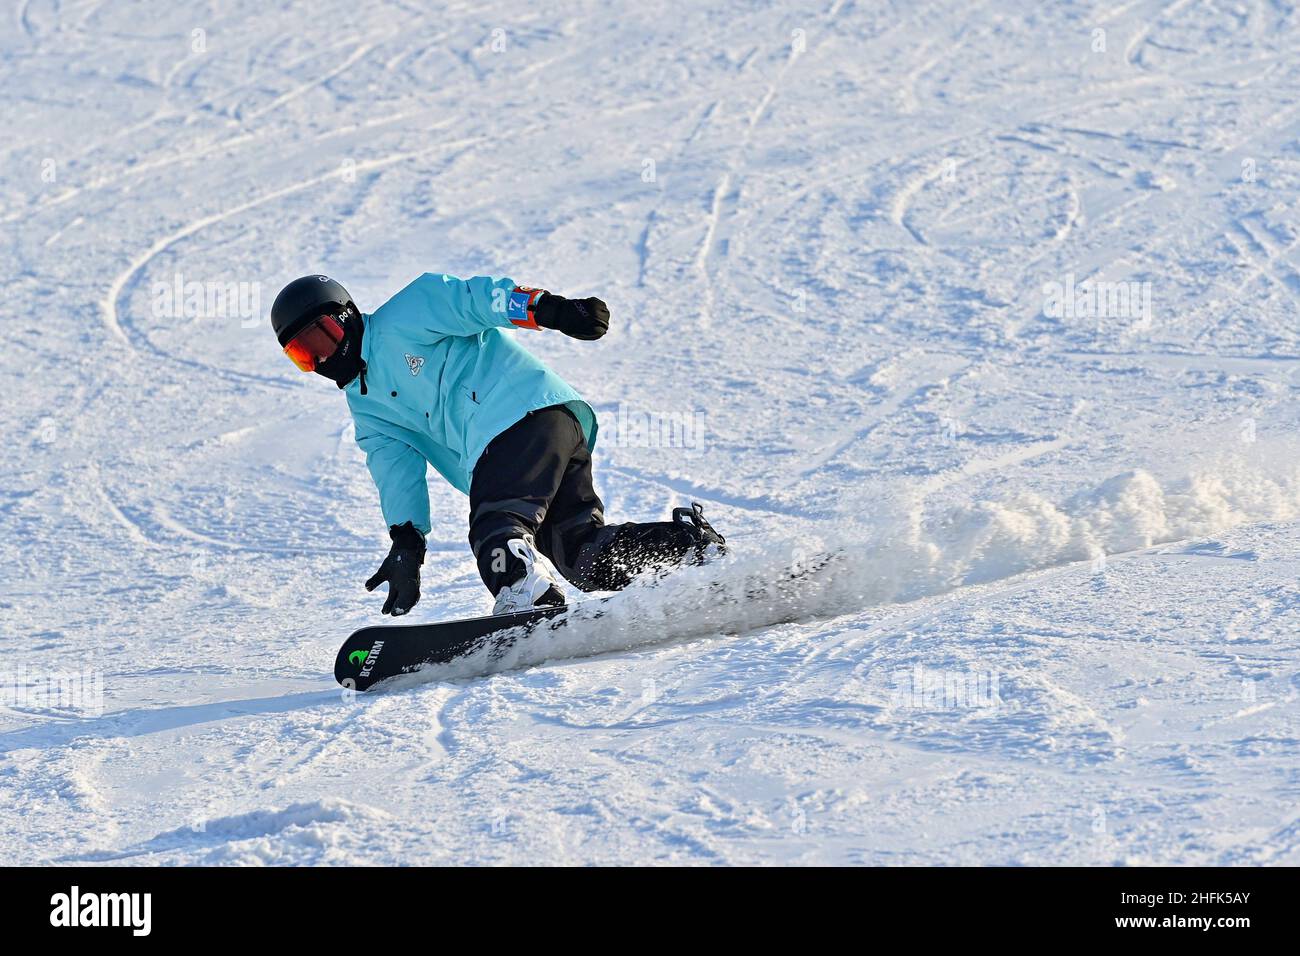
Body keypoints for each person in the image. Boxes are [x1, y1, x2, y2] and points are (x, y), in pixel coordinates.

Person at [270, 273, 724, 616]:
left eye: (322, 338)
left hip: (522, 412)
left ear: (345, 318)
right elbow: (395, 472)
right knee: (581, 555)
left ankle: (526, 594)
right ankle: (685, 548)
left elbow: (478, 301)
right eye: (304, 356)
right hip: (539, 441)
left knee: (496, 525)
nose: (323, 358)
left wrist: (552, 310)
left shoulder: (407, 313)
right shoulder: (365, 410)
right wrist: (407, 541)